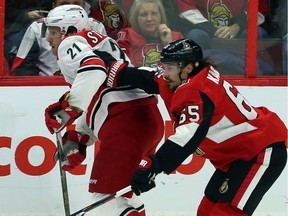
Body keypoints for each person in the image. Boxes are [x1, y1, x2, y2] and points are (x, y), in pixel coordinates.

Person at [105, 38, 287, 215]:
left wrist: (155, 163)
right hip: (236, 157)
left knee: (225, 213)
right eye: (164, 66)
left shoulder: (197, 90)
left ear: (189, 68)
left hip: (260, 152)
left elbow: (189, 135)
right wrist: (108, 68)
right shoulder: (183, 77)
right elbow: (148, 78)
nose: (165, 73)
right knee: (206, 211)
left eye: (170, 68)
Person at [44, 4, 164, 215]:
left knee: (105, 196)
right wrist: (81, 136)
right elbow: (103, 92)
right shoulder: (101, 41)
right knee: (122, 195)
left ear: (69, 31)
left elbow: (94, 68)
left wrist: (67, 109)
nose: (48, 38)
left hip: (126, 124)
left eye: (54, 32)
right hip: (146, 120)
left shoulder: (70, 43)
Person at [10, 0, 106, 76]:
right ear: (54, 6)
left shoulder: (96, 26)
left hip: (85, 85)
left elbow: (107, 64)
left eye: (77, 4)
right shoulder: (38, 28)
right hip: (47, 87)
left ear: (84, 6)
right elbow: (23, 69)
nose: (70, 9)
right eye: (64, 4)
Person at [176, 0, 269, 49]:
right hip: (206, 32)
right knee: (196, 36)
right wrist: (215, 31)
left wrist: (237, 26)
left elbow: (258, 8)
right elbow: (186, 8)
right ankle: (201, 74)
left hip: (240, 31)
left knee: (253, 33)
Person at [116, 0, 183, 68]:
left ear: (161, 15)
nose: (149, 19)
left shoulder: (176, 37)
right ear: (136, 18)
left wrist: (169, 44)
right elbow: (122, 67)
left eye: (154, 13)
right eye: (143, 15)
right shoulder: (127, 36)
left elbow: (183, 69)